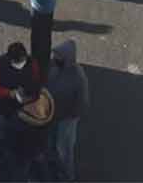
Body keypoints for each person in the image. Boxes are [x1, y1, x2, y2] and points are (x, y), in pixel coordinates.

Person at [0, 43, 42, 178]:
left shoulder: (32, 63)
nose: (22, 64)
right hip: (5, 109)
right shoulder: (0, 65)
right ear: (10, 59)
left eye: (23, 60)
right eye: (19, 62)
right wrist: (9, 93)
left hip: (24, 109)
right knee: (0, 136)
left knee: (24, 140)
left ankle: (25, 161)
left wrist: (29, 96)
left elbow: (36, 82)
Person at [48, 39, 89, 180]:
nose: (55, 58)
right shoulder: (54, 67)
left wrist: (70, 116)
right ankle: (54, 163)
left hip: (67, 119)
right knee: (53, 141)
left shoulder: (78, 77)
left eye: (58, 56)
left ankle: (67, 175)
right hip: (53, 113)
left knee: (65, 148)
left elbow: (81, 103)